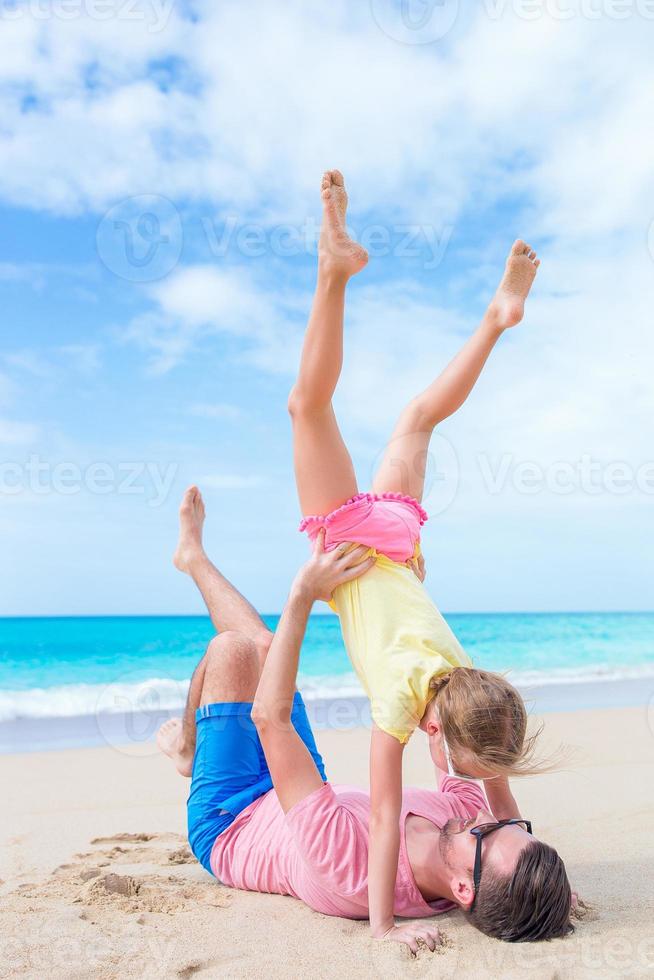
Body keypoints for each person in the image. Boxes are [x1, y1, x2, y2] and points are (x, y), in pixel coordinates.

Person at [287, 169, 544, 944]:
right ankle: (332, 270)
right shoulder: (403, 708)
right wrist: (379, 931)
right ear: (441, 734)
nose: (464, 778)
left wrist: (522, 827)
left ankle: (497, 320)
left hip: (401, 548)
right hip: (355, 551)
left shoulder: (471, 682)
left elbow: (497, 787)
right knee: (307, 406)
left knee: (418, 417)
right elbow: (387, 824)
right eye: (463, 763)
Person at [158, 488, 573, 950]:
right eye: (511, 826)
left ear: (463, 889)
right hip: (303, 791)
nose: (486, 815)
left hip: (231, 817)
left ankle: (191, 755)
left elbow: (268, 719)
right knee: (263, 646)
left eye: (489, 831)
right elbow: (465, 736)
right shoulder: (462, 823)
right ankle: (191, 557)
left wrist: (302, 594)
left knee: (236, 649)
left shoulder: (351, 869)